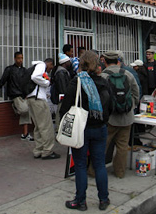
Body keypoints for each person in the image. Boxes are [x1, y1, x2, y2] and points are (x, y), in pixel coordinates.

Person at [60, 51, 113, 211]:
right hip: (100, 128)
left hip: (80, 129)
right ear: (97, 65)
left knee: (81, 166)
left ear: (81, 65)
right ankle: (104, 200)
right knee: (99, 165)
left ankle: (80, 201)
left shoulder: (76, 82)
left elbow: (65, 108)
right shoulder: (104, 82)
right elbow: (110, 106)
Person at [101, 51, 139, 179]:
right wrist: (131, 106)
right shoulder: (128, 74)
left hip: (109, 118)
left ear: (105, 61)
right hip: (127, 117)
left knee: (102, 145)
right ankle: (120, 172)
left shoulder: (103, 76)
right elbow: (136, 92)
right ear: (118, 61)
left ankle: (94, 171)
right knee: (122, 146)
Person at [0, 51, 33, 141]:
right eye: (18, 58)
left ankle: (25, 134)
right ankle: (16, 108)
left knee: (26, 112)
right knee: (24, 110)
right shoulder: (9, 69)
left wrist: (27, 93)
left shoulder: (24, 70)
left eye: (21, 58)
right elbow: (2, 81)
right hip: (15, 94)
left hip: (23, 95)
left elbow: (27, 83)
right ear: (14, 59)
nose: (20, 60)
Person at [27, 58, 60, 159]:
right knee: (46, 125)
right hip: (38, 100)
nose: (50, 69)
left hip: (31, 99)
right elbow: (35, 77)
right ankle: (47, 151)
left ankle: (38, 150)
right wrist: (46, 83)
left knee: (38, 126)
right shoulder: (41, 65)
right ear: (49, 63)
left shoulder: (35, 66)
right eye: (51, 67)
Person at [51, 53, 72, 127]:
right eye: (69, 61)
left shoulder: (63, 71)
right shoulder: (61, 73)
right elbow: (62, 87)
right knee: (60, 113)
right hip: (62, 98)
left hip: (62, 97)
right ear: (65, 63)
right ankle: (58, 129)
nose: (70, 63)